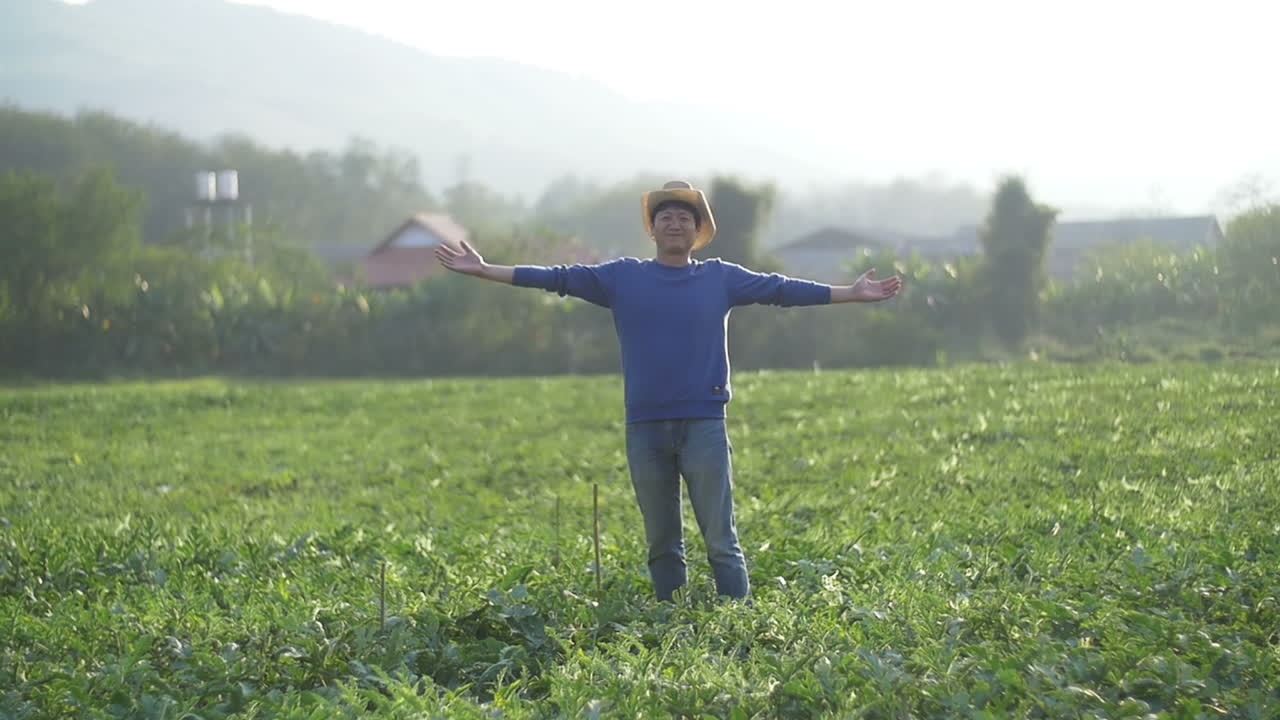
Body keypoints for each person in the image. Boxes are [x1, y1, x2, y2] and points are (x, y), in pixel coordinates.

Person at [434, 180, 902, 601]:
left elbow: (781, 289)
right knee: (662, 543)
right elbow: (554, 277)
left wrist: (849, 293)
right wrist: (484, 270)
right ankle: (669, 624)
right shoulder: (620, 277)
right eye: (665, 218)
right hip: (645, 426)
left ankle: (739, 626)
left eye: (684, 218)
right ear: (652, 231)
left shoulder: (720, 277)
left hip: (704, 423)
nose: (674, 223)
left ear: (697, 232)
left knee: (722, 540)